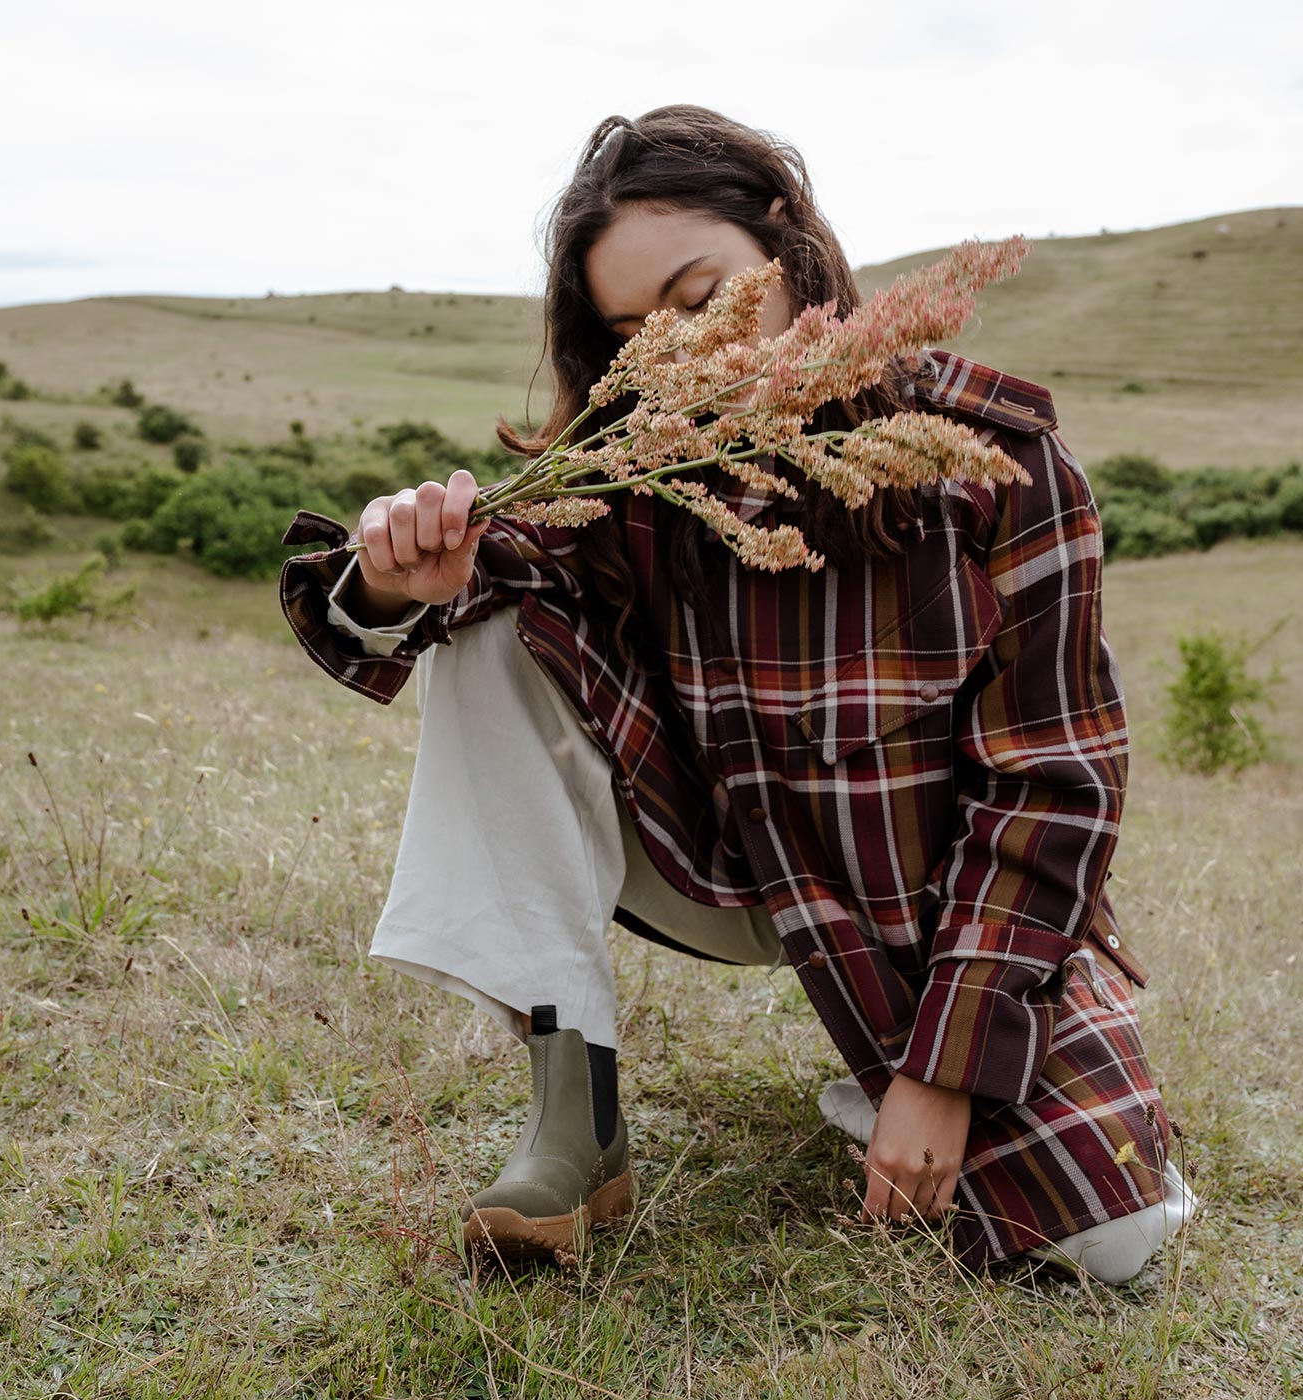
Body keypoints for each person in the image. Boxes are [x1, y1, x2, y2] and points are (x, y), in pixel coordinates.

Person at [279, 105, 1197, 1285]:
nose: (679, 355)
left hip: (920, 908)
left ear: (788, 251)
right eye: (632, 334)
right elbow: (436, 595)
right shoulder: (636, 466)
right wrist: (394, 571)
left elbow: (1052, 783)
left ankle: (923, 1065)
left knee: (1106, 1241)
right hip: (718, 860)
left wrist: (942, 1070)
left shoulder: (998, 461)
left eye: (698, 296)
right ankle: (576, 1104)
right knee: (489, 614)